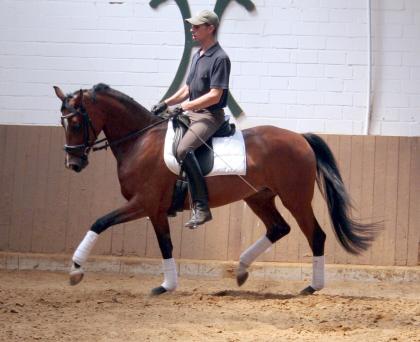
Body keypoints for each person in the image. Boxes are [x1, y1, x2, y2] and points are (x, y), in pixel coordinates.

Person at [151, 10, 231, 228]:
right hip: (193, 112)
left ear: (210, 28)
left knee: (183, 150)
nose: (192, 30)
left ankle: (202, 207)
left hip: (210, 116)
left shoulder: (220, 58)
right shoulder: (198, 56)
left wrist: (185, 107)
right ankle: (173, 199)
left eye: (196, 27)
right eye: (192, 27)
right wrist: (166, 103)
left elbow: (215, 94)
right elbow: (187, 88)